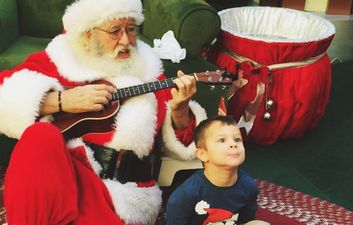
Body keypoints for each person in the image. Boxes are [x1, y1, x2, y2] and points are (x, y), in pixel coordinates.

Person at [0, 0, 207, 224]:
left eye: (131, 29)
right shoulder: (60, 59)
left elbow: (179, 145)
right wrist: (61, 100)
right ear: (88, 34)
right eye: (115, 31)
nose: (126, 41)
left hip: (122, 192)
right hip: (64, 173)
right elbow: (5, 96)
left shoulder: (149, 70)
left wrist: (180, 109)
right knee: (39, 136)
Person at [166, 116, 269, 225]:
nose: (233, 144)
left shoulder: (248, 186)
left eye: (237, 139)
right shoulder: (184, 196)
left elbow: (246, 220)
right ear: (203, 154)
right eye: (222, 140)